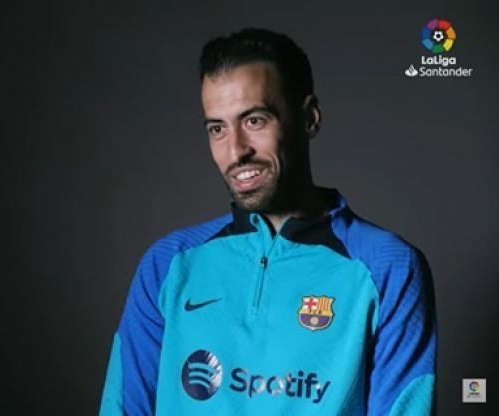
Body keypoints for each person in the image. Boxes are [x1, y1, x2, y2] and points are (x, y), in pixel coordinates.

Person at [98, 27, 437, 415]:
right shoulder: (167, 265)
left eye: (254, 120)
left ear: (309, 118)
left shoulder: (388, 267)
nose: (235, 151)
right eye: (217, 128)